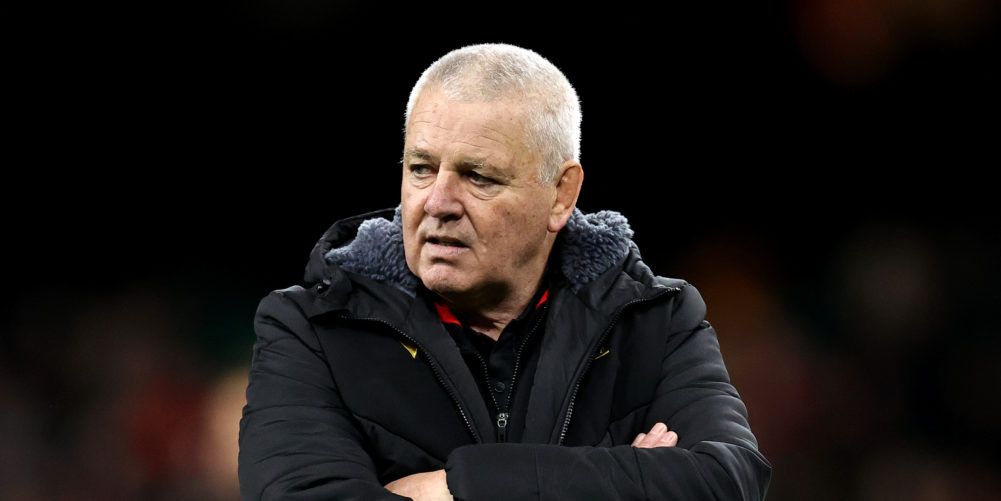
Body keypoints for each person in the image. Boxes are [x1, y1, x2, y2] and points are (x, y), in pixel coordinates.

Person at [238, 43, 771, 500]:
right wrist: (618, 480)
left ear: (561, 194)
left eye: (478, 177)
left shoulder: (654, 320)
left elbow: (728, 481)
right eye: (421, 168)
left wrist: (458, 486)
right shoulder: (311, 328)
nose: (437, 202)